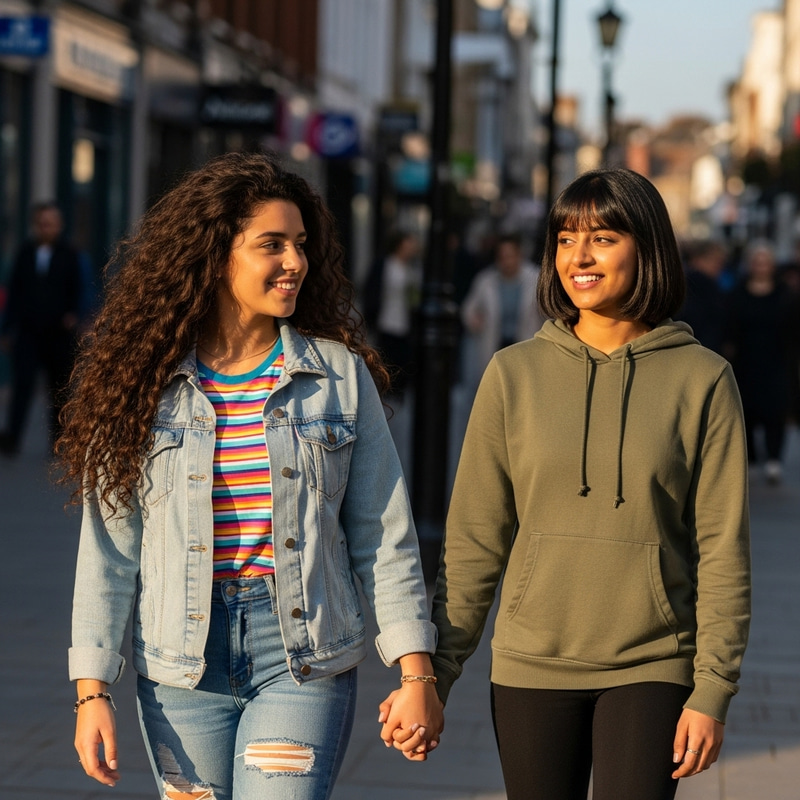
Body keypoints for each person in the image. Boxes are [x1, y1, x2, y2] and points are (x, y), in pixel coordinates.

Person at [56, 151, 442, 800]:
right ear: (216, 253)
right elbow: (110, 550)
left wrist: (416, 673)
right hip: (180, 665)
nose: (295, 261)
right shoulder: (149, 384)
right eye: (272, 245)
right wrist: (91, 690)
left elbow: (383, 532)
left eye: (300, 244)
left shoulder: (336, 377)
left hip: (300, 655)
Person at [423, 169, 751, 799]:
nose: (580, 255)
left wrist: (713, 689)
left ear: (646, 247)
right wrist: (435, 675)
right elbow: (474, 541)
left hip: (653, 662)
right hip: (530, 664)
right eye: (565, 238)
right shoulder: (512, 374)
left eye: (602, 237)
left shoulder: (703, 380)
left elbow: (722, 549)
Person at [0, 201, 82, 456]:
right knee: (22, 386)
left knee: (58, 389)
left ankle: (58, 441)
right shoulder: (25, 253)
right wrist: (7, 328)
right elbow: (15, 292)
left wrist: (73, 315)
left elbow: (79, 290)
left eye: (52, 223)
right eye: (43, 223)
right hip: (28, 332)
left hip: (58, 334)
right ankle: (12, 438)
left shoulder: (69, 254)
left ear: (59, 226)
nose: (47, 228)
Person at [724, 239, 794, 486]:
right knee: (747, 409)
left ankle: (774, 459)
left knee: (775, 410)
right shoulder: (736, 294)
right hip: (745, 361)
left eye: (766, 262)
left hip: (777, 361)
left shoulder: (786, 295)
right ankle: (751, 458)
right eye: (757, 261)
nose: (761, 266)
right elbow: (729, 328)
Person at [459, 232, 543, 395]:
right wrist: (474, 320)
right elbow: (468, 309)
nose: (507, 261)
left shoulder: (536, 278)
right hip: (495, 345)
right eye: (502, 257)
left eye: (511, 256)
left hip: (524, 343)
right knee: (498, 390)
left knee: (523, 389)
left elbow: (550, 311)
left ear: (519, 255)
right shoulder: (485, 280)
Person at [361, 229, 421, 398]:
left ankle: (398, 391)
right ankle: (384, 389)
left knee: (403, 358)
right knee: (385, 356)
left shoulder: (412, 268)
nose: (412, 248)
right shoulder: (385, 264)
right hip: (385, 320)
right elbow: (372, 290)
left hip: (404, 321)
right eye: (409, 244)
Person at [676, 239, 728, 354]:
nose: (719, 268)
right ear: (697, 260)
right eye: (716, 261)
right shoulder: (703, 287)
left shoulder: (683, 283)